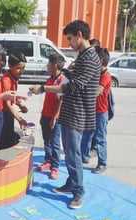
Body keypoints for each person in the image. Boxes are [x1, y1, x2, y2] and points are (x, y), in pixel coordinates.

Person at [29, 20, 101, 209]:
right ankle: (71, 183)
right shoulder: (82, 56)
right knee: (69, 154)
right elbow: (74, 79)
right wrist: (67, 71)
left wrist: (44, 88)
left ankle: (78, 192)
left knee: (74, 154)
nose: (68, 43)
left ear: (79, 34)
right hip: (70, 112)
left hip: (78, 113)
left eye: (70, 39)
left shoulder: (91, 57)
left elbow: (75, 86)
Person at [81, 48, 112, 174]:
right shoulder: (96, 74)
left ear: (100, 61)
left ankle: (102, 163)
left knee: (100, 138)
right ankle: (84, 157)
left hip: (101, 112)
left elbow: (97, 92)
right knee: (86, 135)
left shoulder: (105, 76)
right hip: (91, 111)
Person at [36, 54, 66, 180]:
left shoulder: (61, 81)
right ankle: (48, 160)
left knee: (54, 142)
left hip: (56, 118)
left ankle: (55, 167)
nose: (47, 66)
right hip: (46, 115)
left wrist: (54, 117)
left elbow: (61, 101)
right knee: (46, 140)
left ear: (55, 66)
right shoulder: (49, 80)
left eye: (49, 64)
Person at [0, 51, 28, 150]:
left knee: (9, 139)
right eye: (18, 68)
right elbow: (7, 103)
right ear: (10, 66)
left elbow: (12, 97)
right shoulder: (6, 80)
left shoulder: (14, 78)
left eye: (23, 68)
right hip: (2, 114)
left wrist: (20, 105)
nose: (21, 71)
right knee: (3, 143)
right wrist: (19, 119)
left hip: (8, 113)